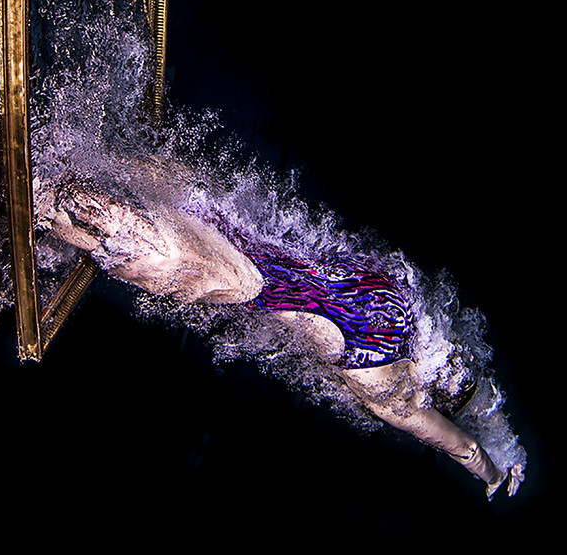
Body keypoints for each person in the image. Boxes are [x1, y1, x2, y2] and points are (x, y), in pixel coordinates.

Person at [34, 162, 525, 499]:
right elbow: (464, 446)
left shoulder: (407, 296)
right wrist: (495, 469)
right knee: (177, 264)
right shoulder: (391, 392)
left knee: (182, 198)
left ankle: (74, 169)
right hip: (254, 283)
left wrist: (503, 440)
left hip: (247, 232)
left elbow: (473, 398)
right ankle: (45, 202)